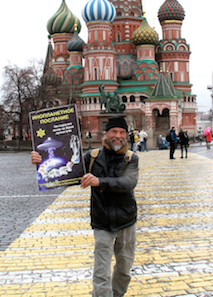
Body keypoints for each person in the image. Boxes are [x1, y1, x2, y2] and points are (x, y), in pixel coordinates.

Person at [31, 116, 139, 297]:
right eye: (114, 132)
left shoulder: (131, 158)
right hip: (102, 222)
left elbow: (128, 182)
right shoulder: (92, 157)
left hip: (127, 221)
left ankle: (117, 294)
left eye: (121, 132)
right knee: (101, 272)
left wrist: (99, 181)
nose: (118, 136)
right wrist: (41, 162)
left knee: (125, 269)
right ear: (107, 134)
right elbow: (67, 170)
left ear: (126, 136)